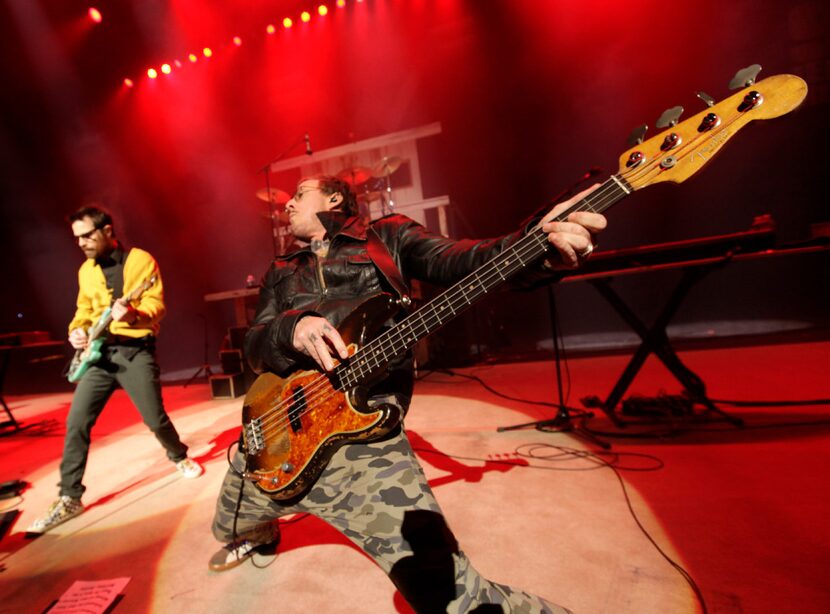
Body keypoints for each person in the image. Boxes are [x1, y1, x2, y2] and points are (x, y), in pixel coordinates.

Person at [210, 175, 605, 613]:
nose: (286, 205)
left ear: (335, 197)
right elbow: (255, 347)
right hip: (281, 423)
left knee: (450, 598)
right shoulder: (281, 269)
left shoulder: (387, 236)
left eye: (299, 195)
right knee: (225, 524)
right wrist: (291, 327)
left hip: (361, 434)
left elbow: (466, 259)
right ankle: (263, 531)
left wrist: (533, 249)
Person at [26, 205, 203, 535]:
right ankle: (69, 497)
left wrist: (132, 314)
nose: (81, 243)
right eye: (76, 237)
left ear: (108, 231)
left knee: (154, 418)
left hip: (135, 351)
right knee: (76, 422)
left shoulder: (141, 261)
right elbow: (83, 311)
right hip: (99, 356)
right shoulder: (86, 271)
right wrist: (76, 331)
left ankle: (178, 455)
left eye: (87, 235)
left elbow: (157, 305)